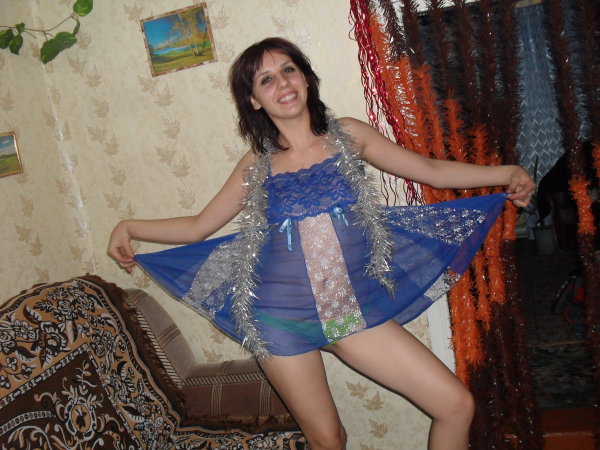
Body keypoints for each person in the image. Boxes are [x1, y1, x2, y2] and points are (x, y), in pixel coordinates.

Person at [108, 37, 535, 450]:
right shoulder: (257, 164)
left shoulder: (348, 134)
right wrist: (129, 226)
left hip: (346, 310)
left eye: (288, 70)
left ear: (306, 78)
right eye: (266, 80)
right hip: (279, 318)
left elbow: (430, 171)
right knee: (328, 440)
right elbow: (199, 227)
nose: (283, 83)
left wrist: (506, 173)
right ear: (254, 100)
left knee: (456, 405)